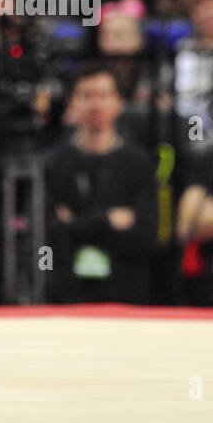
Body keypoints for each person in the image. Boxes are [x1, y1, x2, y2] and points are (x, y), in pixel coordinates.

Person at [44, 62, 158, 303]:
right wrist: (109, 221)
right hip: (68, 295)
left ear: (119, 103)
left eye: (104, 96)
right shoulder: (54, 163)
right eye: (86, 96)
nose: (95, 105)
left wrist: (77, 223)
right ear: (73, 103)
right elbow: (52, 237)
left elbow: (146, 237)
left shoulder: (139, 164)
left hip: (127, 294)